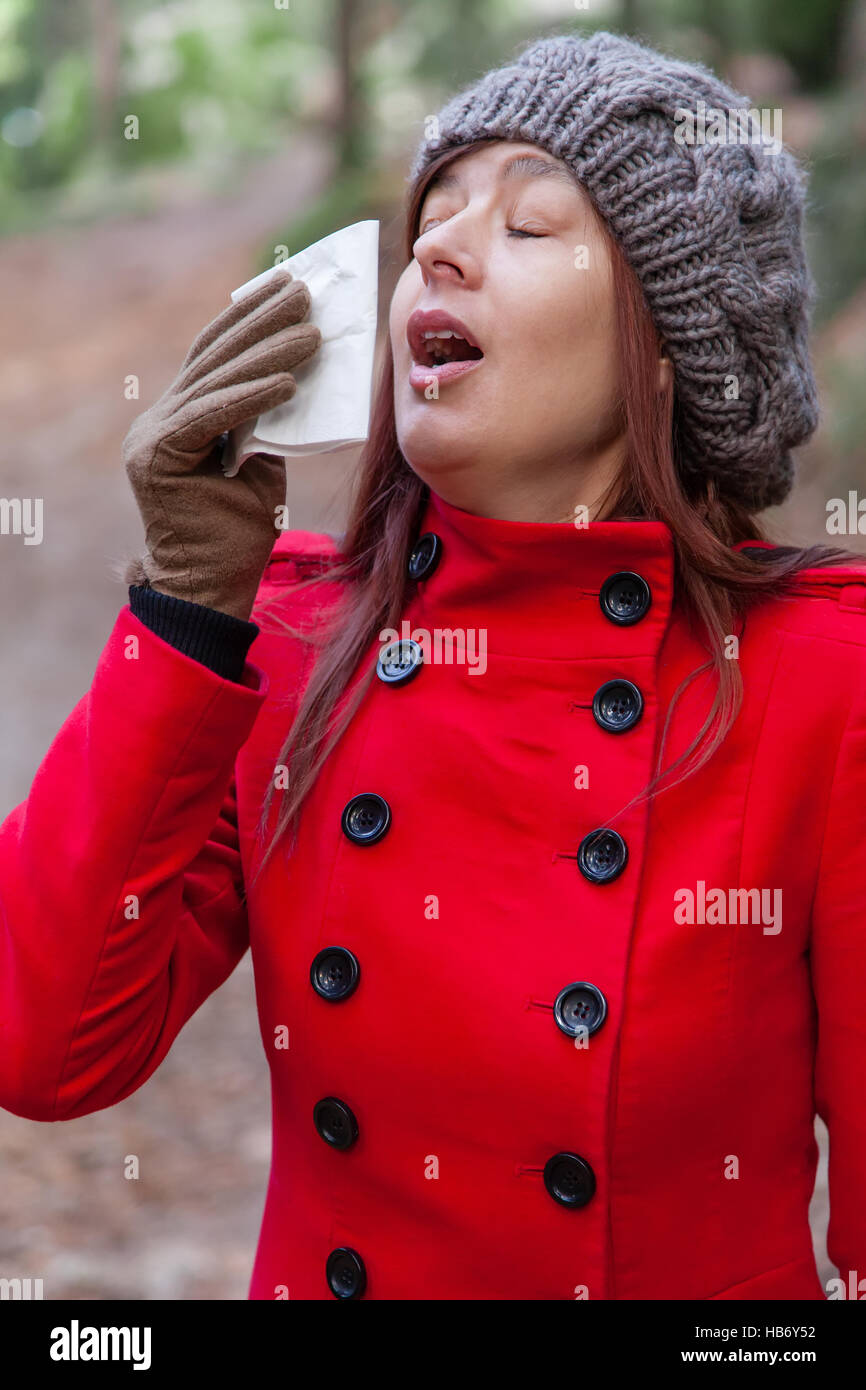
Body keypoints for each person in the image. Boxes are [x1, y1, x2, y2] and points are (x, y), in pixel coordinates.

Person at [2, 29, 865, 1302]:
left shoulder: (818, 685)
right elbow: (46, 1043)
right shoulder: (296, 643)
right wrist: (186, 615)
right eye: (433, 218)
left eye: (527, 225)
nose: (434, 254)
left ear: (674, 343)